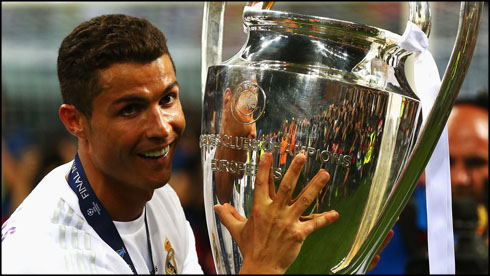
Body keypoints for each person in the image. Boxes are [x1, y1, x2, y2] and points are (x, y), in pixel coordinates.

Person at [1, 14, 389, 274]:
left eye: (167, 99)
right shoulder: (50, 258)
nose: (162, 127)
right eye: (130, 109)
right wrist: (262, 267)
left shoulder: (157, 199)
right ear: (75, 121)